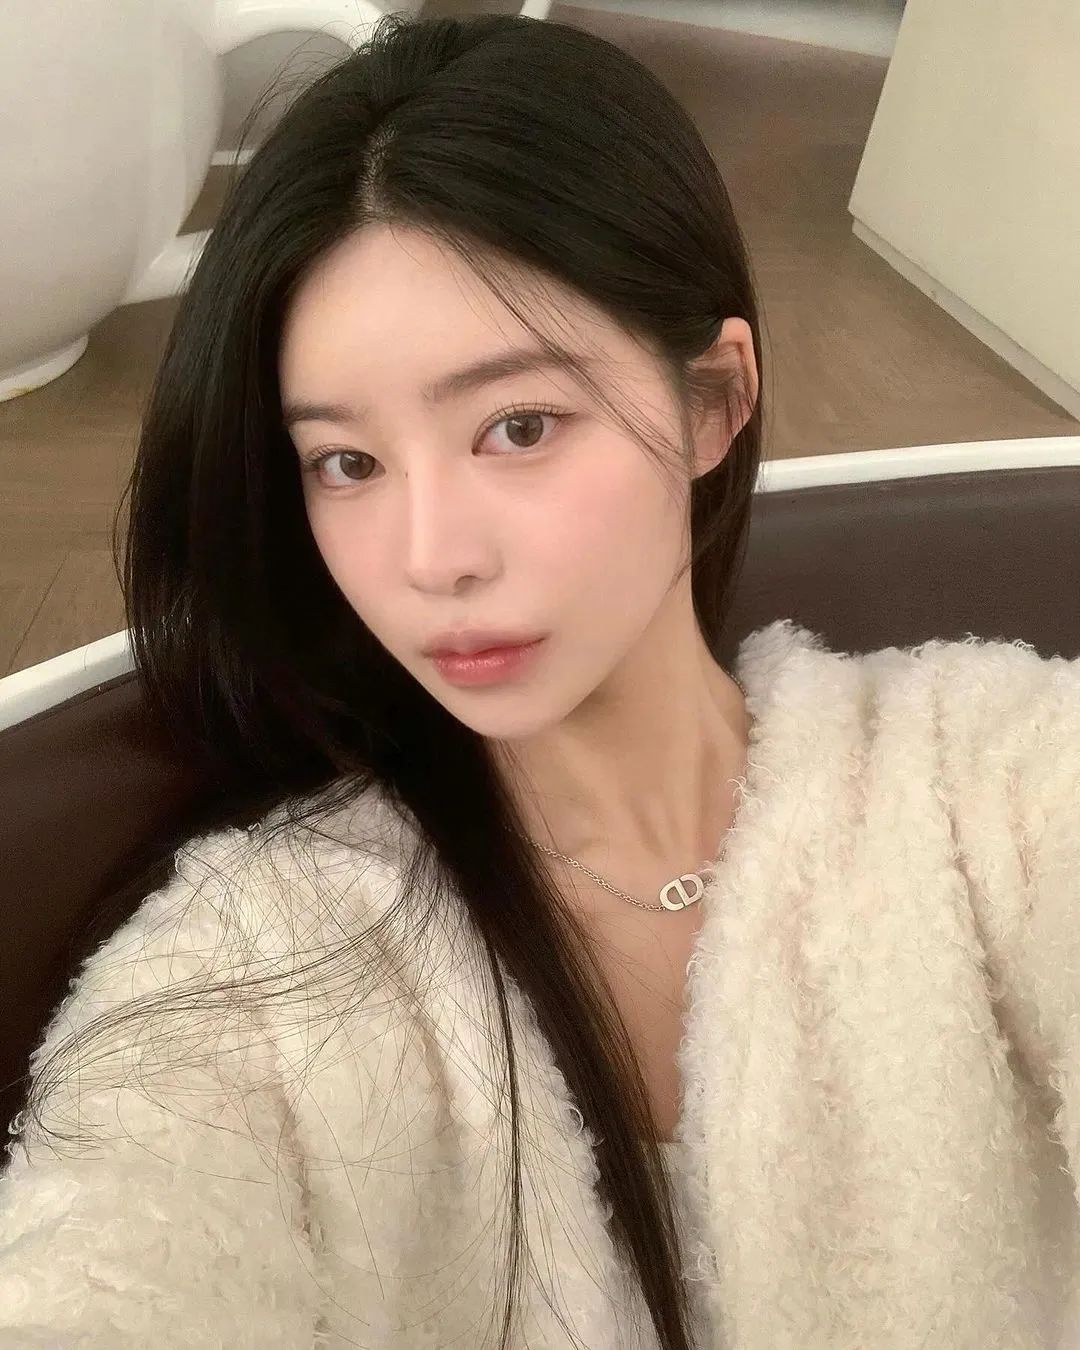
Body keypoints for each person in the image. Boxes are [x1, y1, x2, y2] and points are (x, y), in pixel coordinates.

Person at [0, 12, 1077, 1350]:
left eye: (518, 426)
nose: (432, 557)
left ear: (712, 401)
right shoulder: (261, 958)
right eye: (347, 462)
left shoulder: (987, 783)